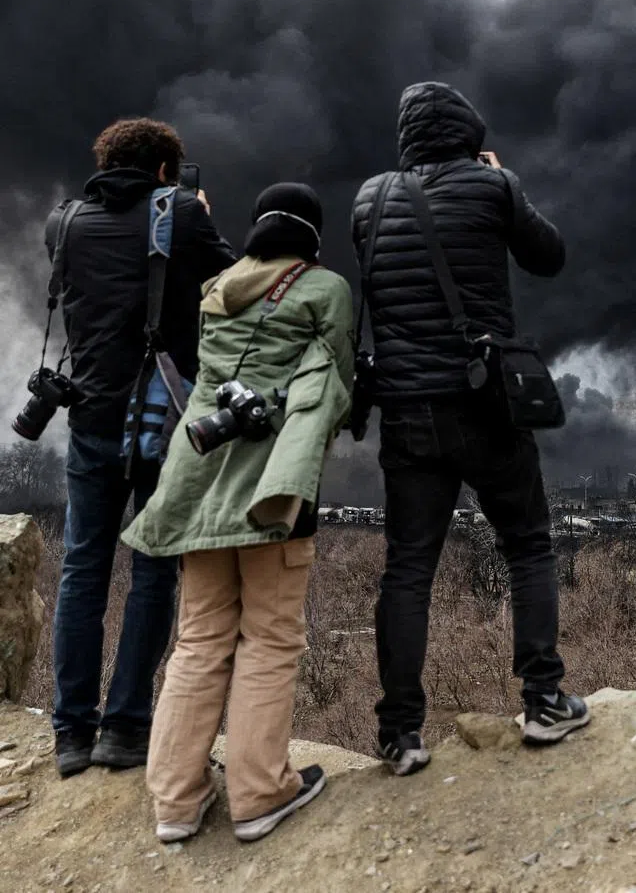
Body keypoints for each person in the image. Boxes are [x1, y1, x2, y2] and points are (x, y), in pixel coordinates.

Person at [352, 81, 589, 777]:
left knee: (408, 570)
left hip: (408, 412)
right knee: (527, 546)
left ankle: (399, 736)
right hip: (486, 402)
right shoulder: (493, 186)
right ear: (467, 131)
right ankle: (544, 700)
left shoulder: (370, 198)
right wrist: (499, 183)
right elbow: (549, 255)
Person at [122, 183, 354, 844]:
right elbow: (334, 386)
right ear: (311, 236)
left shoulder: (217, 292)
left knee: (197, 641)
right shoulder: (326, 288)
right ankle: (259, 794)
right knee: (271, 638)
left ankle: (175, 801)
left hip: (197, 484)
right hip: (270, 492)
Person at [47, 118, 234, 778]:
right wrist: (197, 219)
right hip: (161, 417)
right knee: (153, 571)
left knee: (82, 571)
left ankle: (71, 733)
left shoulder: (63, 222)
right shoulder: (180, 213)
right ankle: (125, 730)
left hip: (91, 417)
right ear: (164, 170)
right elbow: (239, 283)